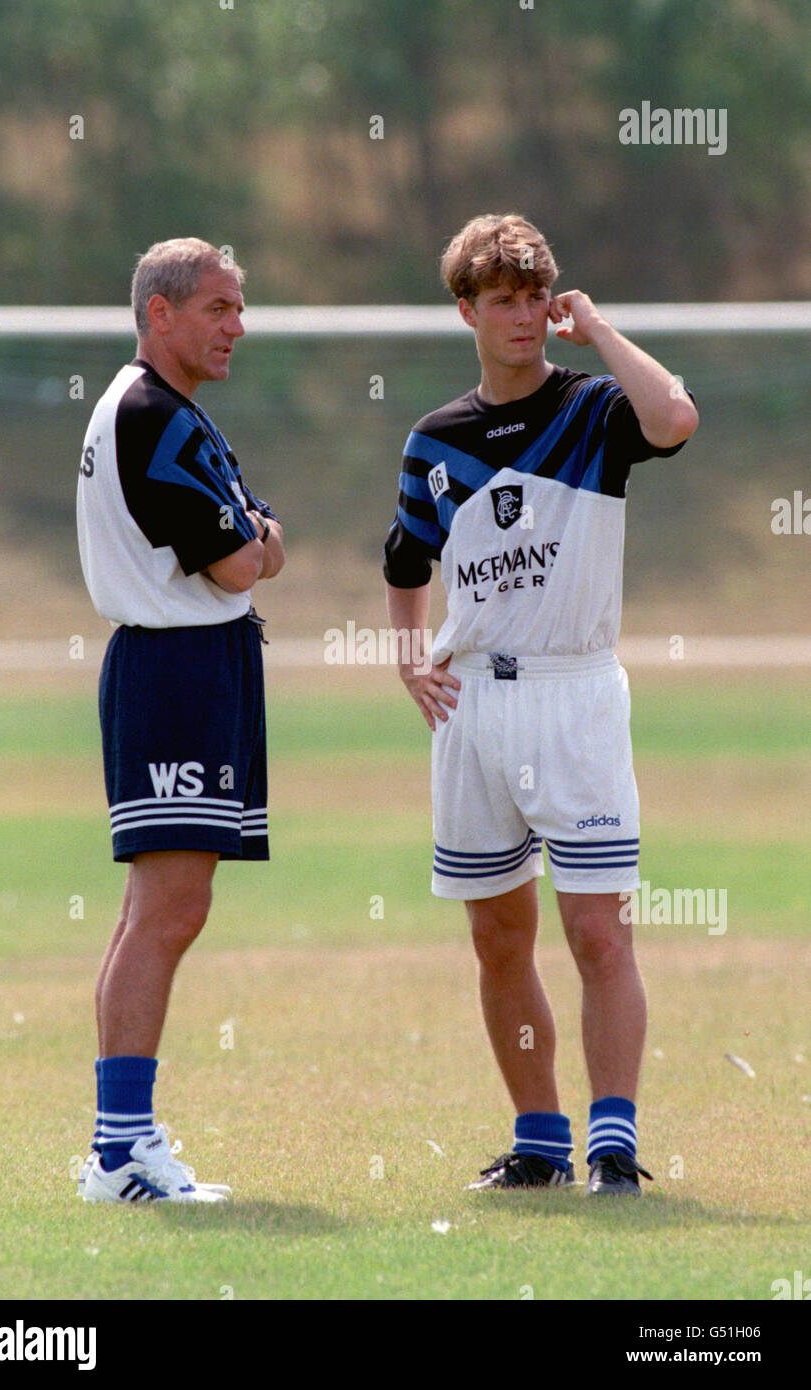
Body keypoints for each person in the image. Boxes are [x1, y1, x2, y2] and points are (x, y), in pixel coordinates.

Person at [383, 213, 697, 1195]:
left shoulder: (594, 409)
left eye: (534, 297)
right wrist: (405, 655)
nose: (520, 317)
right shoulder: (433, 439)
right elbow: (403, 560)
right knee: (494, 935)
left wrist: (594, 328)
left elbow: (675, 417)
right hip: (471, 704)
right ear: (466, 309)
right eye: (501, 301)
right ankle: (537, 1140)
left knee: (597, 930)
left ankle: (611, 1146)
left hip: (574, 695)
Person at [76, 237, 284, 1202]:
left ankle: (122, 1141)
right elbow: (243, 558)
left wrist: (256, 538)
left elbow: (253, 535)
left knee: (153, 914)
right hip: (177, 670)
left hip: (195, 665)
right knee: (168, 911)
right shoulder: (151, 414)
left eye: (239, 308)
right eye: (218, 308)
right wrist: (259, 541)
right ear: (160, 313)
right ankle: (120, 1153)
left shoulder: (176, 415)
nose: (237, 326)